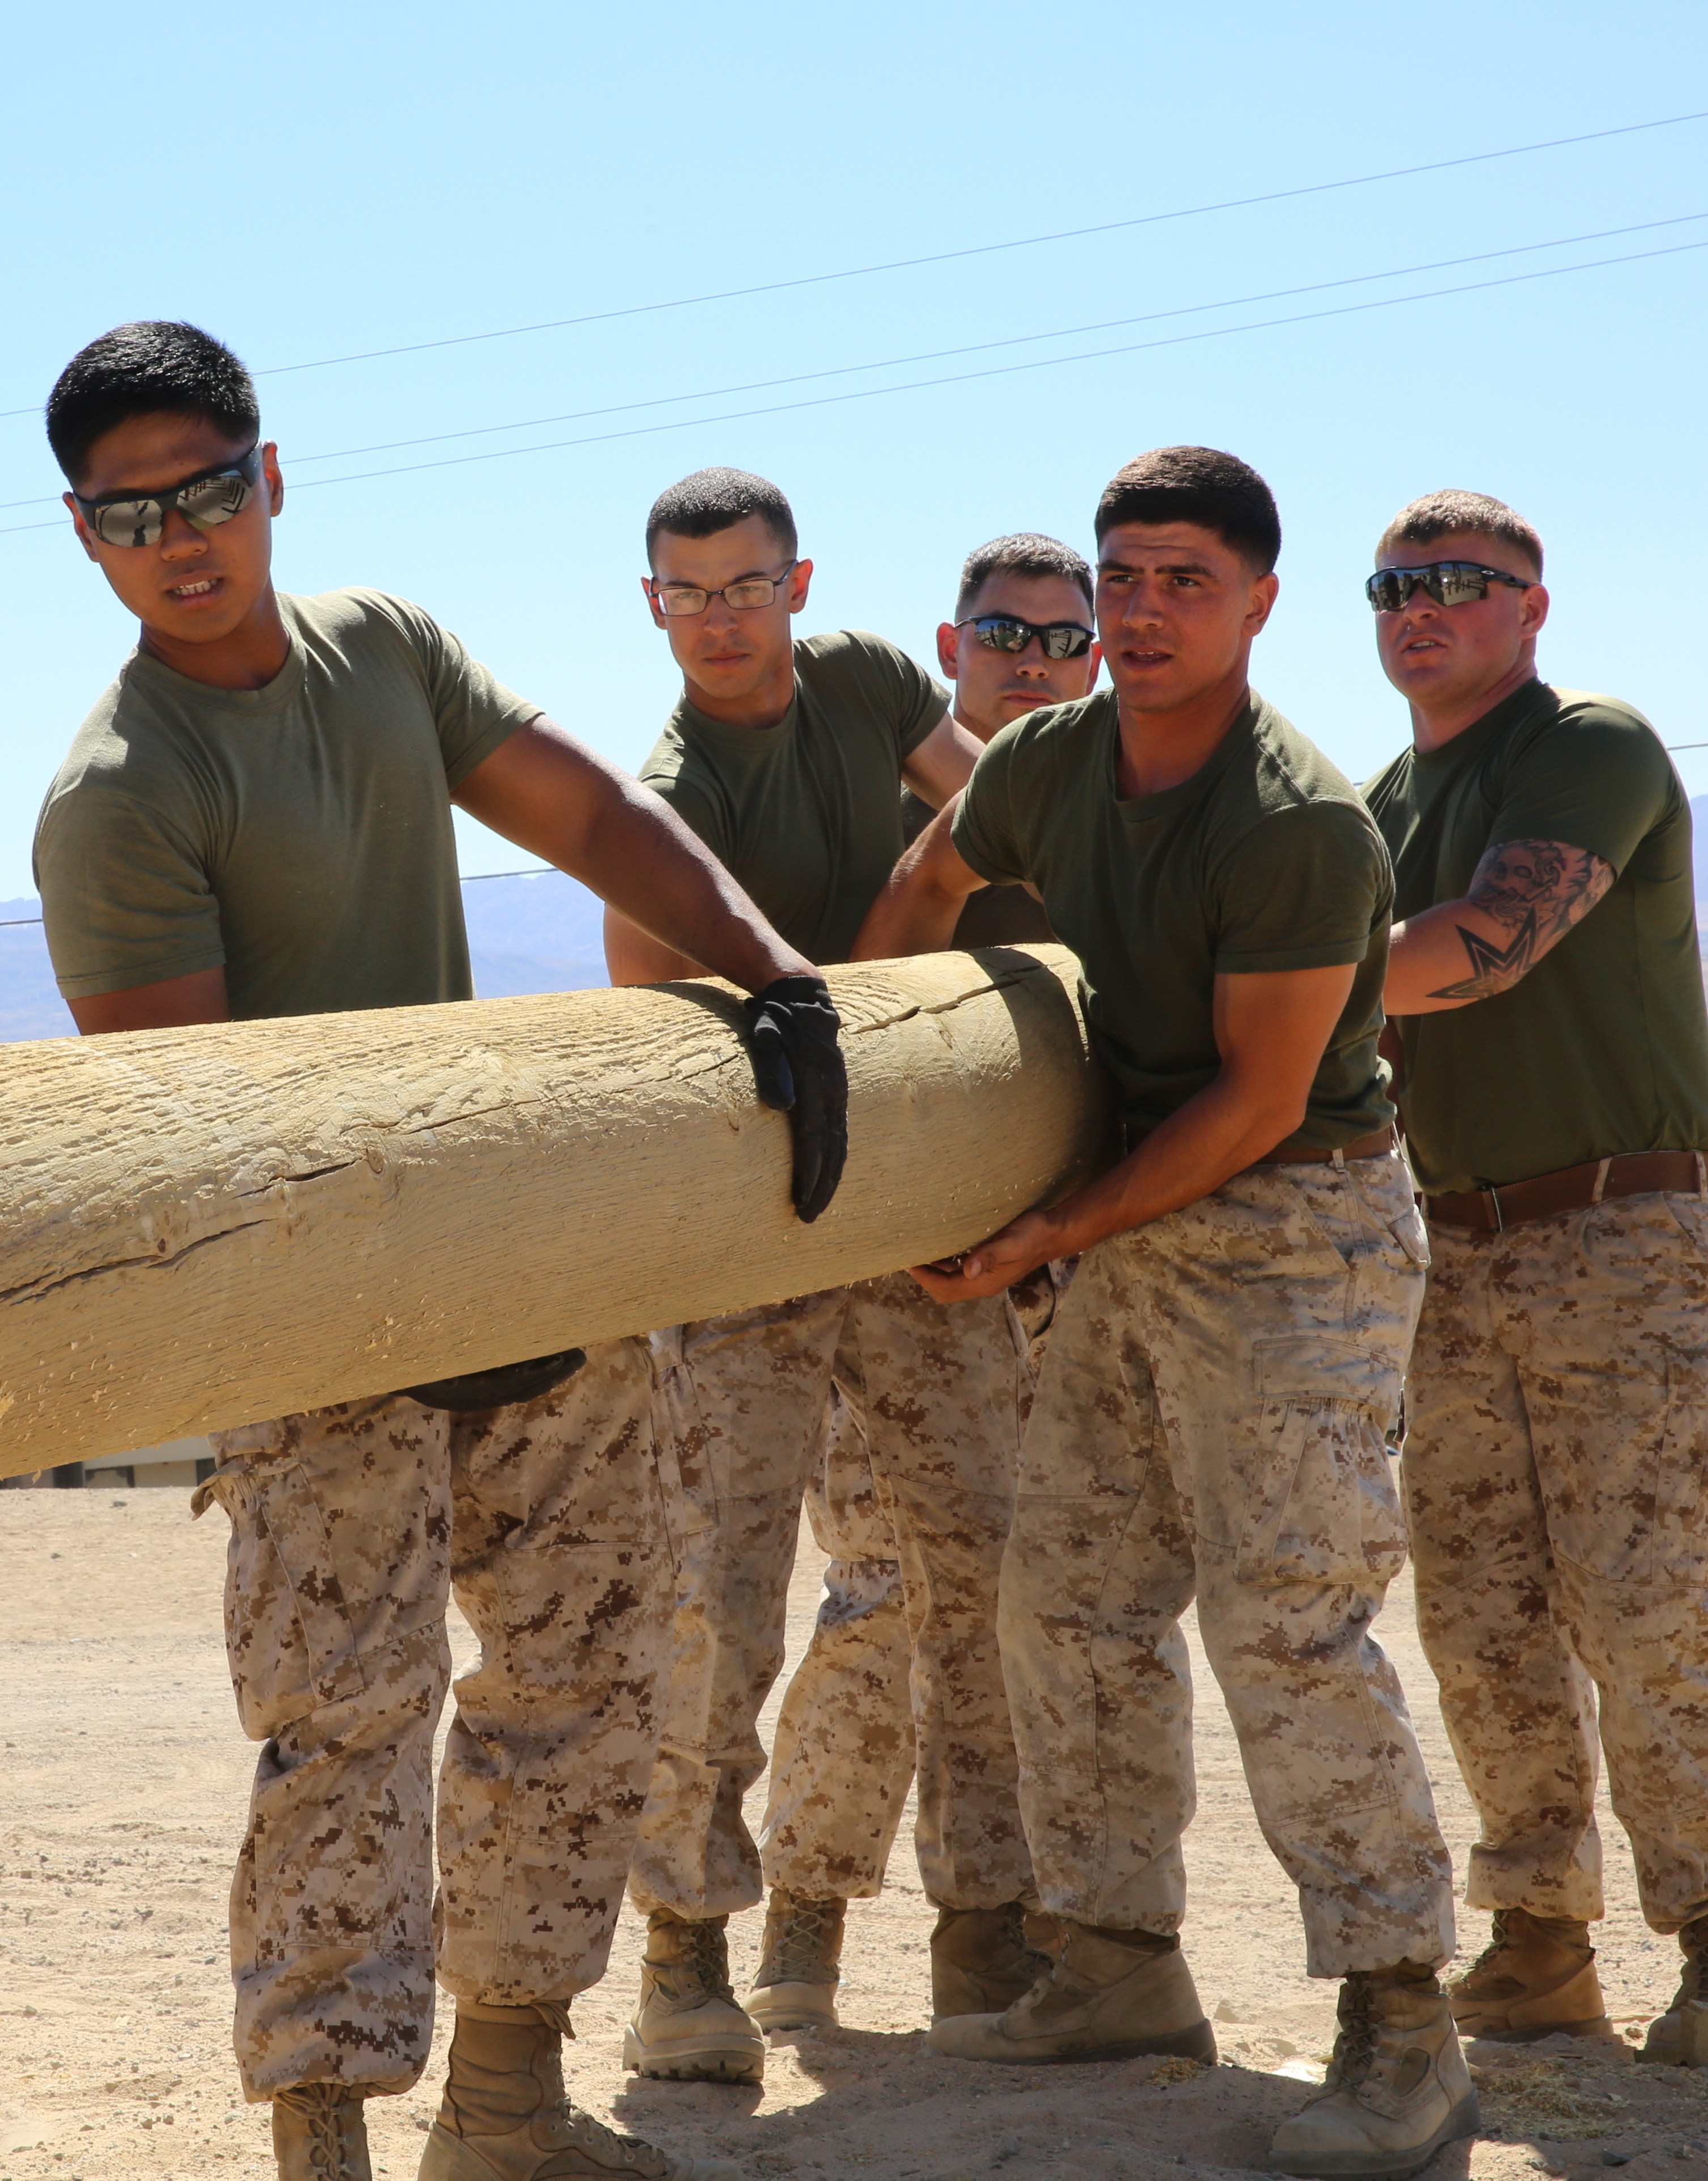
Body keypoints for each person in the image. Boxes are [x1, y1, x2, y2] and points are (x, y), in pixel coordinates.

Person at [30, 323, 842, 2181]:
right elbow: (209, 1121)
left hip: (514, 1268)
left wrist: (762, 963)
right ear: (84, 536)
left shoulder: (382, 647)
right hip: (313, 1334)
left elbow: (584, 809)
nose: (182, 535)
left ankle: (507, 2104)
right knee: (343, 1725)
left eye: (210, 489)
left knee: (579, 1684)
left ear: (273, 479)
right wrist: (385, 1294)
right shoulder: (122, 795)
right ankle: (321, 2132)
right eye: (131, 511)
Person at [856, 446, 1473, 2181]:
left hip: (1293, 1234)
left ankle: (1404, 2029)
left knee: (1288, 1626)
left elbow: (1261, 1098)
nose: (1139, 611)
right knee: (1067, 1605)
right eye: (1124, 577)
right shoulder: (1048, 756)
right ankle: (1118, 1966)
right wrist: (879, 1070)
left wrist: (1047, 1223)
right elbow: (925, 889)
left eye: (1183, 580)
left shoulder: (1296, 817)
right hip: (1128, 1227)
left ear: (1262, 604)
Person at [1361, 489, 1708, 2073]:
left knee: (1642, 1602)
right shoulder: (1382, 802)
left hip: (1620, 1237)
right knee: (1483, 1619)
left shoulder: (1592, 743)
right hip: (1451, 1251)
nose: (1419, 608)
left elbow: (1492, 943)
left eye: (1455, 583)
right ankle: (1539, 1944)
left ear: (1531, 606)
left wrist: (1282, 984)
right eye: (1393, 586)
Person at [604, 486, 1064, 2081]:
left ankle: (990, 1929)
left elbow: (990, 811)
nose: (724, 616)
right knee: (719, 1600)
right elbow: (653, 1010)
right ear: (649, 604)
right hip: (754, 1236)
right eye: (690, 592)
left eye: (749, 586)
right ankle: (687, 1958)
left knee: (980, 1572)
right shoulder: (655, 795)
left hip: (924, 1207)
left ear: (797, 584)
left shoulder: (866, 681)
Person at [742, 530, 1102, 2045]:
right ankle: (806, 1919)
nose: (1033, 659)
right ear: (951, 650)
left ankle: (1004, 1932)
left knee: (1037, 1607)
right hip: (896, 1276)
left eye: (1062, 638)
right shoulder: (896, 820)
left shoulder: (1110, 820)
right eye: (1004, 634)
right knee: (887, 1595)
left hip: (1070, 1275)